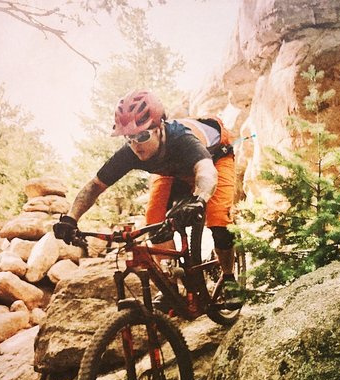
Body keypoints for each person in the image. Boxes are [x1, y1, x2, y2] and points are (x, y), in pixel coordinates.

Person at [53, 89, 240, 305]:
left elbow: (206, 171)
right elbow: (95, 186)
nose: (136, 145)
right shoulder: (131, 152)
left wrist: (199, 200)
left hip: (216, 157)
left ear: (160, 128)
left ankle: (228, 278)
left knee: (217, 218)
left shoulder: (182, 139)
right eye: (129, 138)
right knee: (154, 219)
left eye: (142, 136)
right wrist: (71, 218)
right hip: (173, 171)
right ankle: (171, 283)